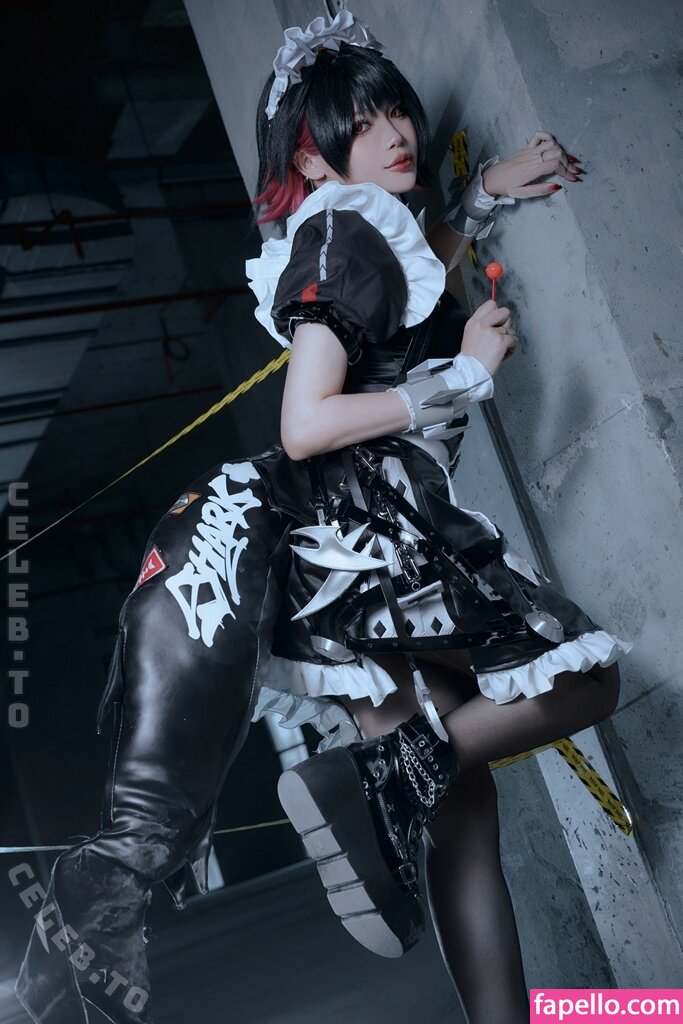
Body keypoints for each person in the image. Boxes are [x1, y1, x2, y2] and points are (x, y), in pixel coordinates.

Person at [15, 11, 629, 1024]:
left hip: (336, 558)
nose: (398, 132)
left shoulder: (356, 231)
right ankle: (381, 772)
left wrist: (480, 194)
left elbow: (401, 307)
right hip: (375, 535)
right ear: (312, 155)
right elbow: (305, 424)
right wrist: (465, 378)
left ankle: (409, 821)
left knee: (461, 813)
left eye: (397, 110)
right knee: (585, 679)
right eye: (363, 121)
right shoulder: (348, 228)